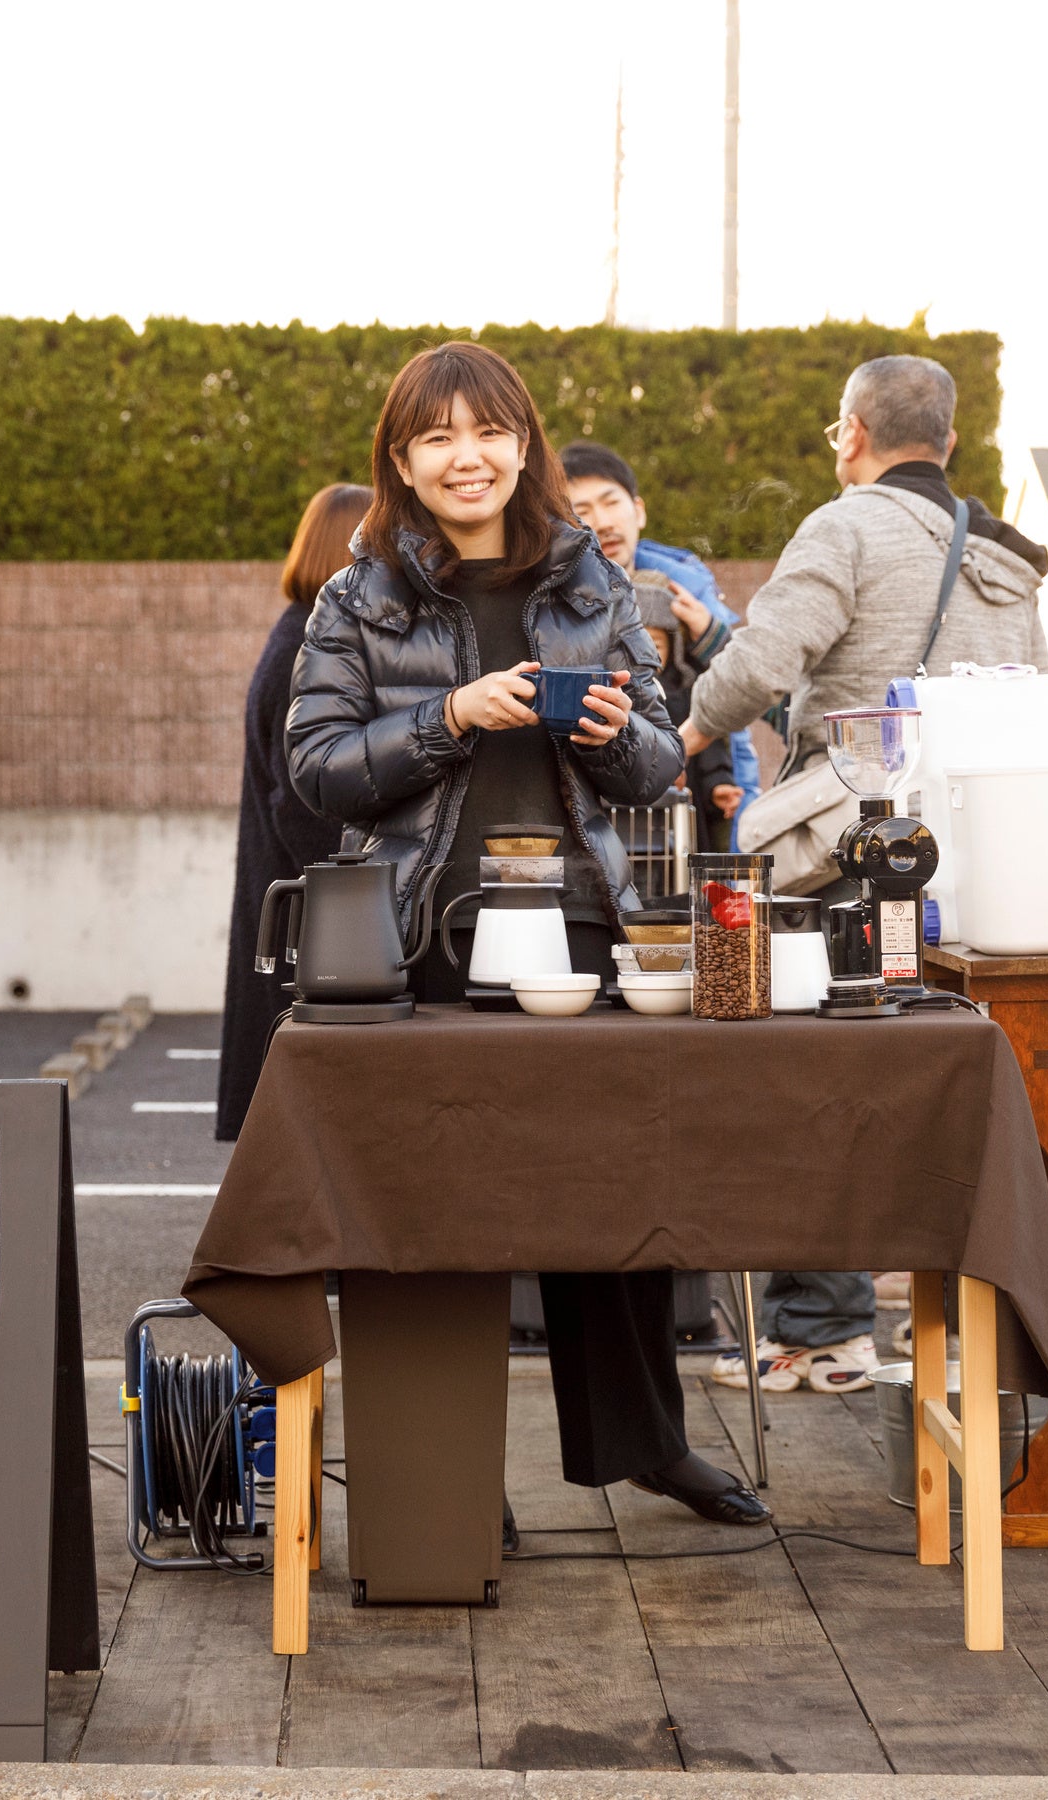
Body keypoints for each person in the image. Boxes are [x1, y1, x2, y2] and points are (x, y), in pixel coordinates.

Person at [287, 340, 768, 1527]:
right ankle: (447, 1471)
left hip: (584, 931)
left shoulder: (588, 583)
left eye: (488, 432)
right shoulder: (361, 596)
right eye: (437, 437)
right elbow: (314, 770)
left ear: (521, 446)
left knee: (614, 1193)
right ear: (401, 460)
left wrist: (609, 734)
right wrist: (446, 716)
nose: (467, 457)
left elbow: (660, 760)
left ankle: (649, 1445)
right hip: (426, 937)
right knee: (439, 1205)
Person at [681, 354, 1048, 1396]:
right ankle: (955, 1332)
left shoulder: (842, 525)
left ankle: (820, 1329)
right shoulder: (1007, 558)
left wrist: (681, 733)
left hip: (844, 859)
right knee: (937, 1084)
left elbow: (761, 664)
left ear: (850, 431)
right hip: (967, 859)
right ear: (949, 441)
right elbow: (1035, 704)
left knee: (814, 1082)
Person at [216, 482, 372, 1141]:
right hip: (302, 917)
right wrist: (358, 893)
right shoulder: (306, 649)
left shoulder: (301, 637)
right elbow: (300, 801)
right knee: (296, 1113)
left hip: (288, 905)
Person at [560, 442, 763, 847]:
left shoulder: (689, 595)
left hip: (688, 818)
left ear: (638, 510)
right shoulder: (553, 601)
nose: (601, 522)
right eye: (581, 510)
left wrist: (710, 636)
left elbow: (740, 706)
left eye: (610, 502)